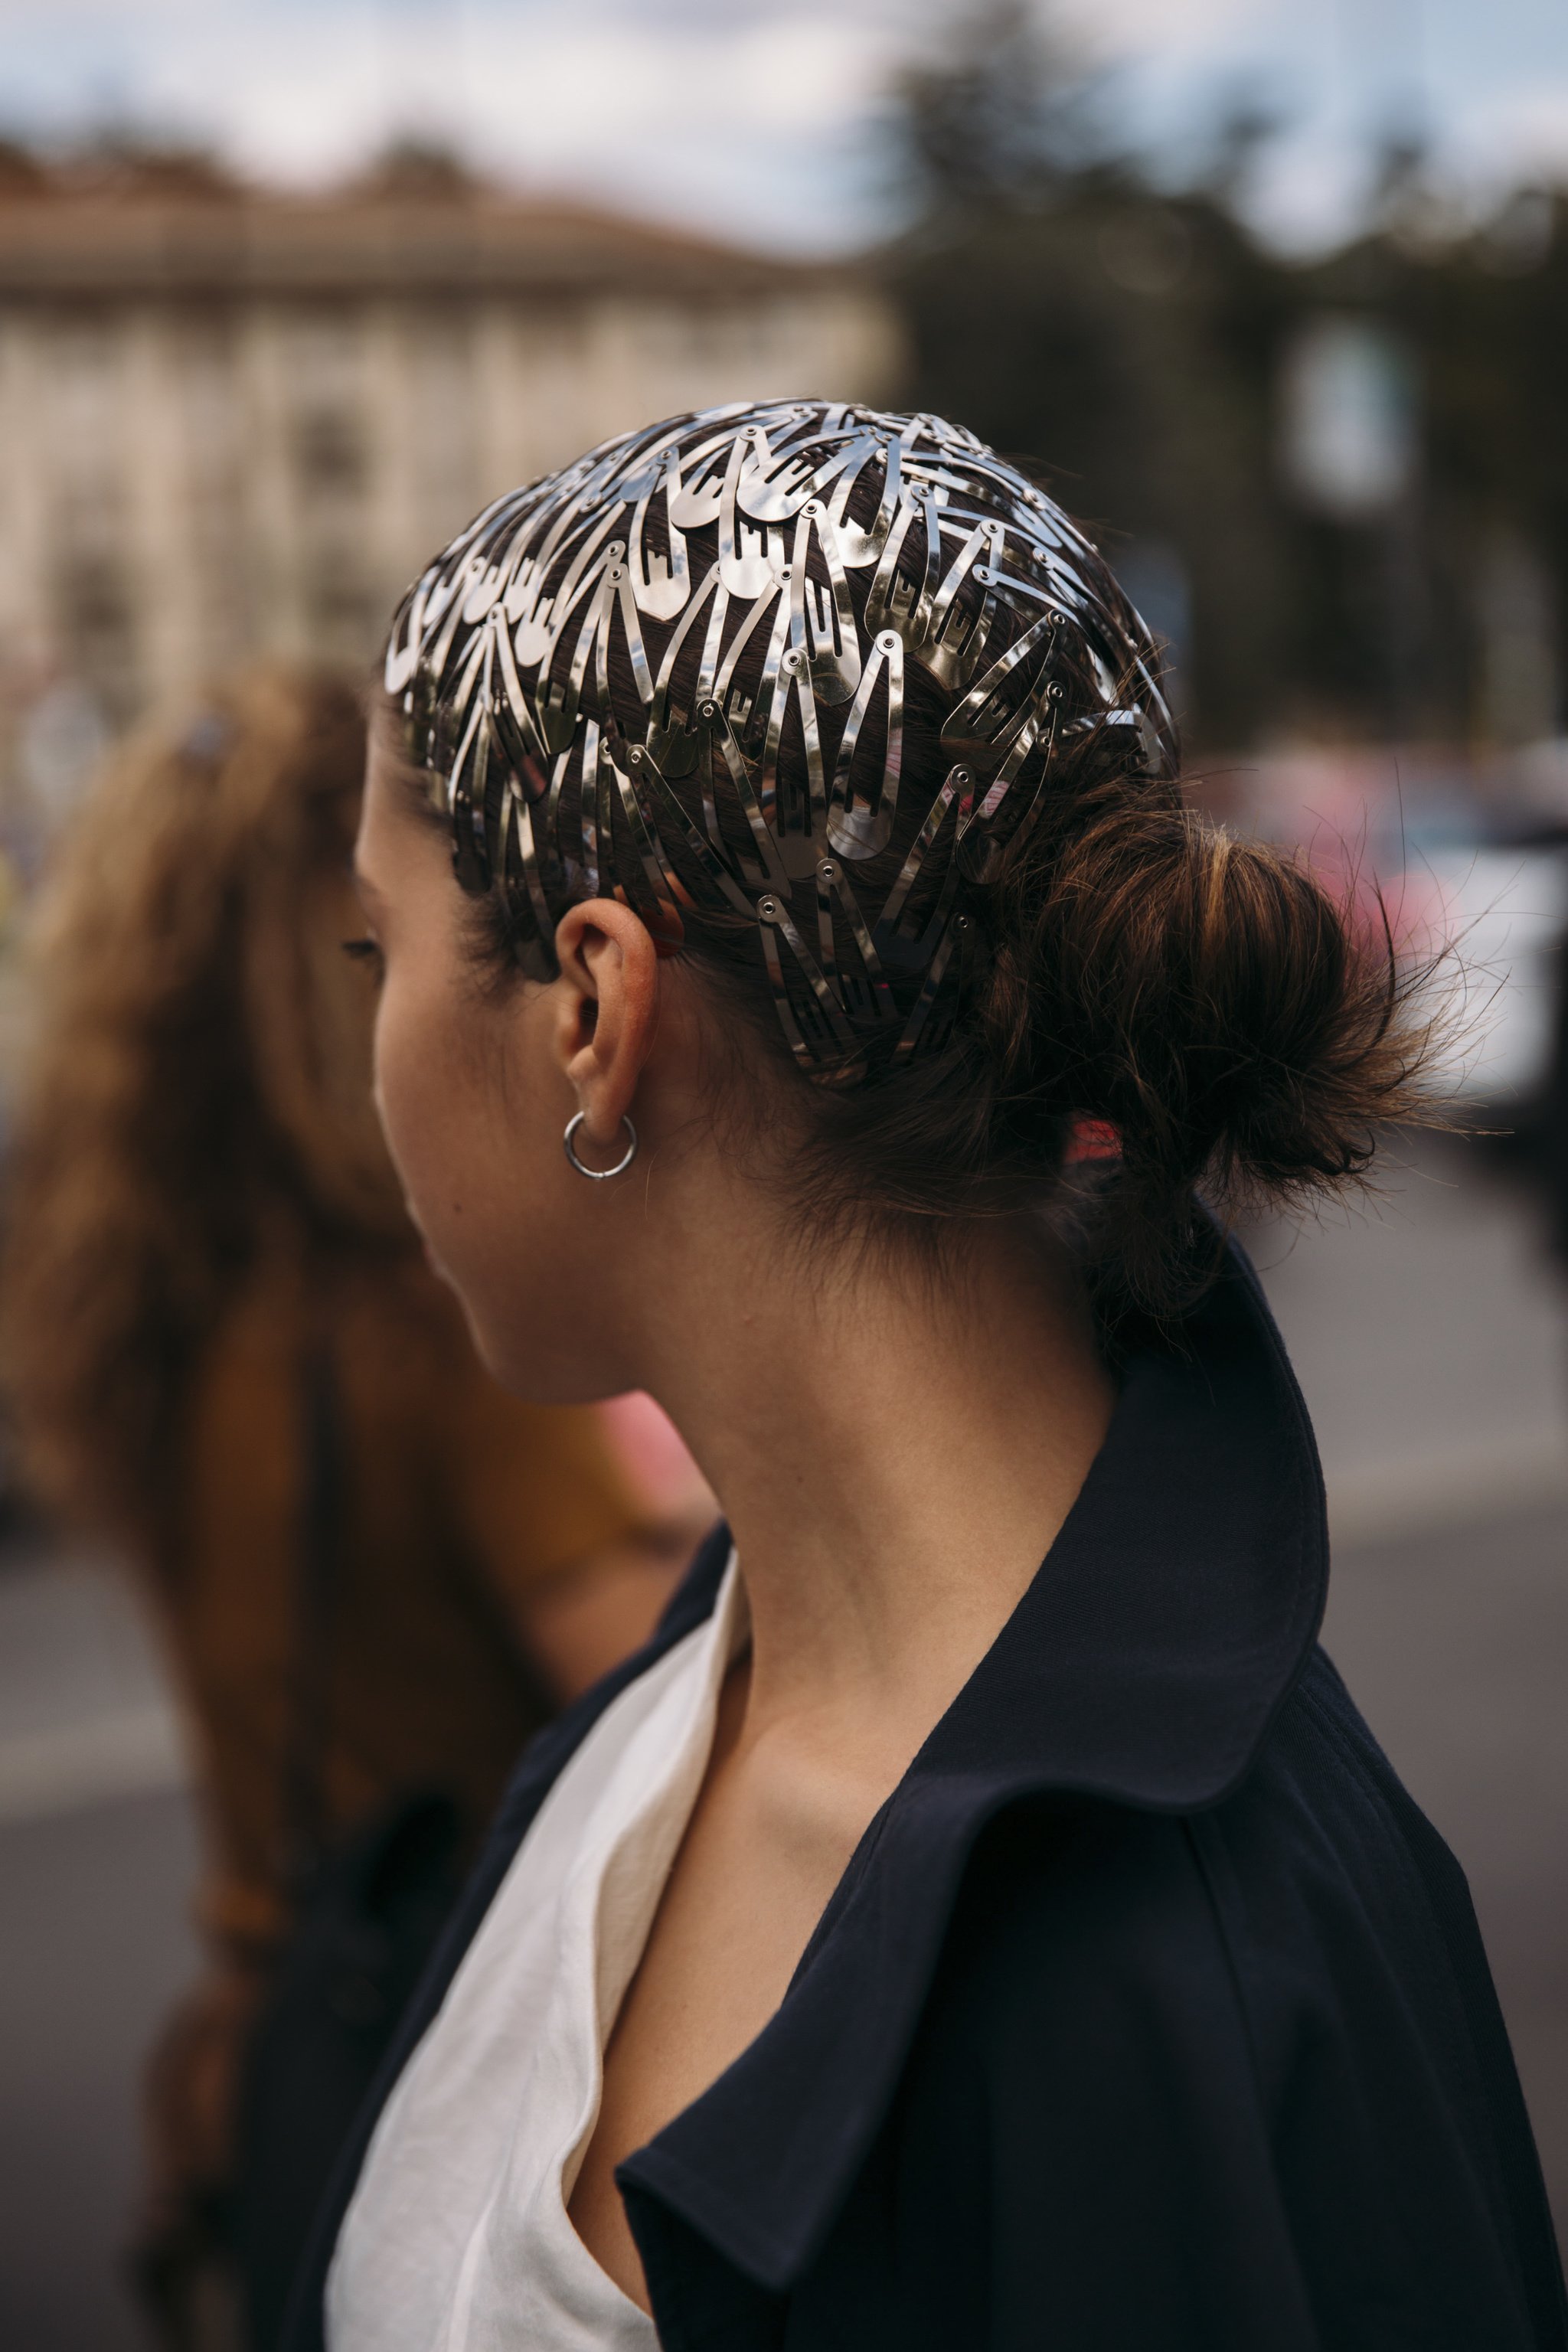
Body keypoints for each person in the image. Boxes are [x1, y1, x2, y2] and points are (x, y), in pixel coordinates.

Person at [285, 402, 1562, 2350]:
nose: (368, 1048)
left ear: (590, 1010)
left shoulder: (1184, 1986)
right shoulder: (686, 1700)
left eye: (381, 952)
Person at [0, 668, 697, 2350]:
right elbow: (664, 1697)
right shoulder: (411, 1340)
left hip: (272, 2041)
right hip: (461, 2059)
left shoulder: (148, 1323)